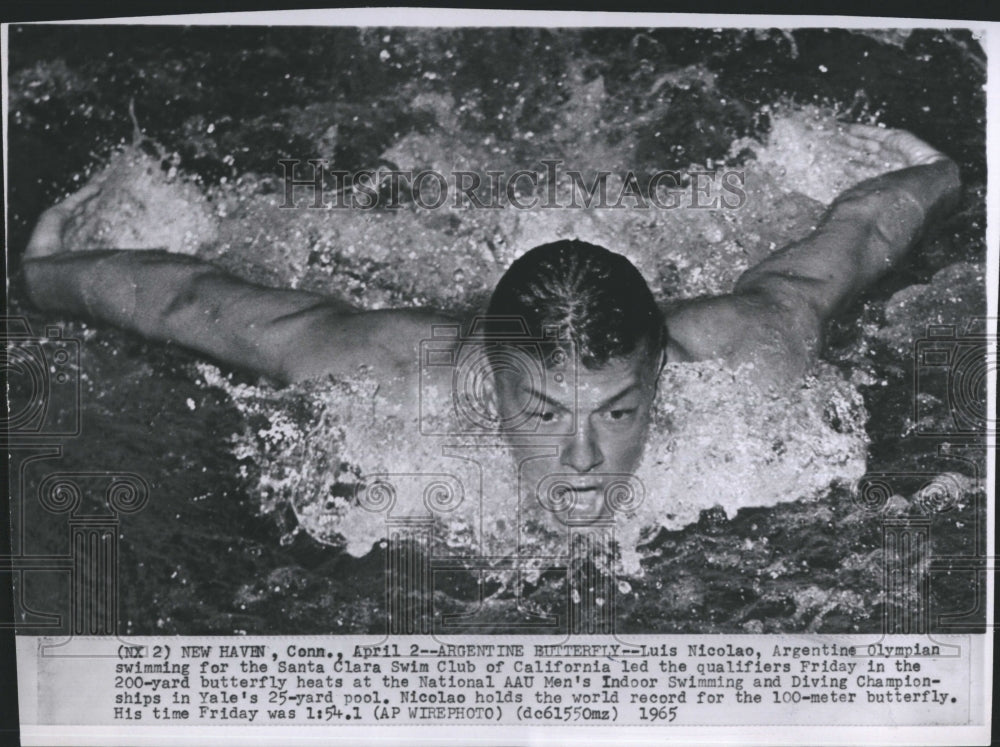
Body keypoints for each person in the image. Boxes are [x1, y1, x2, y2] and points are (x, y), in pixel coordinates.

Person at [22, 124, 960, 519]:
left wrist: (964, 163)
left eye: (621, 410)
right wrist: (40, 275)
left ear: (662, 375)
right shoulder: (382, 374)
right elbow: (188, 301)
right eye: (547, 412)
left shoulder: (747, 355)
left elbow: (857, 234)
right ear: (489, 381)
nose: (586, 460)